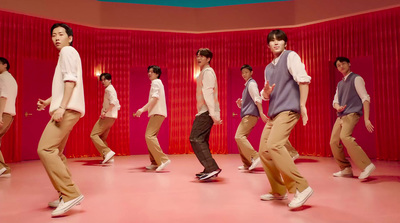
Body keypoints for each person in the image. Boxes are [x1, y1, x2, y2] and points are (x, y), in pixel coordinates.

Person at [258, 29, 313, 208]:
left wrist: (303, 105)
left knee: (274, 144)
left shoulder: (291, 56)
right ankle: (278, 190)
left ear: (285, 43)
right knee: (264, 151)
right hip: (274, 113)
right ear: (268, 45)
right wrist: (265, 93)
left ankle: (301, 187)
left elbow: (303, 80)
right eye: (272, 41)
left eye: (279, 40)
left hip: (288, 110)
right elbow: (265, 94)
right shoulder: (268, 68)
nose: (276, 43)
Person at [36, 23, 85, 217]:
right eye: (53, 35)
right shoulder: (67, 53)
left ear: (70, 37)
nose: (56, 38)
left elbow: (70, 81)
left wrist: (61, 107)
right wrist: (48, 102)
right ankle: (65, 194)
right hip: (68, 108)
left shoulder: (67, 51)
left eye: (61, 34)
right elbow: (65, 85)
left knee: (45, 149)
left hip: (67, 109)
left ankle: (70, 193)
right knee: (57, 152)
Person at [330, 56, 375, 180]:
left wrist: (366, 119)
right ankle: (345, 169)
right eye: (338, 65)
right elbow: (335, 101)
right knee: (333, 141)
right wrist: (338, 107)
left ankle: (367, 165)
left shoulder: (357, 79)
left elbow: (365, 98)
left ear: (349, 64)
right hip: (341, 116)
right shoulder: (340, 84)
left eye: (343, 63)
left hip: (352, 113)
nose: (341, 66)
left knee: (345, 137)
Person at [190, 48, 222, 181]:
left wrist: (213, 114)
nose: (199, 58)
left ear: (208, 59)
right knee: (202, 139)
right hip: (206, 111)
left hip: (206, 111)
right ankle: (208, 168)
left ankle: (211, 167)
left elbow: (208, 93)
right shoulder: (203, 72)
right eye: (197, 56)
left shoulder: (208, 72)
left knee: (195, 138)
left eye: (202, 56)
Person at [135, 65, 170, 172]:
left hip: (157, 113)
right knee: (151, 136)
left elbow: (155, 98)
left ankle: (163, 159)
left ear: (157, 74)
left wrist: (142, 109)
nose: (149, 73)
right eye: (148, 72)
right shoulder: (157, 83)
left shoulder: (156, 82)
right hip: (158, 113)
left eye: (152, 72)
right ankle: (155, 162)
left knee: (149, 136)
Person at [235, 64, 268, 171]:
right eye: (242, 73)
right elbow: (249, 102)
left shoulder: (251, 84)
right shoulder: (247, 85)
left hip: (250, 115)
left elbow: (257, 99)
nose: (244, 74)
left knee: (239, 137)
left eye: (246, 72)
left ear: (251, 73)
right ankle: (247, 164)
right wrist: (240, 104)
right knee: (240, 139)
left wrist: (261, 113)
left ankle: (255, 156)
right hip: (248, 114)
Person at [90, 73, 120, 164]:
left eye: (105, 80)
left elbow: (113, 103)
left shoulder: (109, 89)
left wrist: (104, 112)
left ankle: (107, 152)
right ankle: (109, 158)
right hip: (112, 118)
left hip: (107, 116)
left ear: (110, 80)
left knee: (93, 135)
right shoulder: (112, 89)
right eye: (101, 80)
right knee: (102, 138)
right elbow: (117, 104)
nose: (103, 82)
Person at [0, 57, 18, 178]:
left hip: (3, 113)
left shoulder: (2, 77)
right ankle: (4, 170)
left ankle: (1, 168)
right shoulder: (12, 79)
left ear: (5, 64)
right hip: (10, 114)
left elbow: (3, 96)